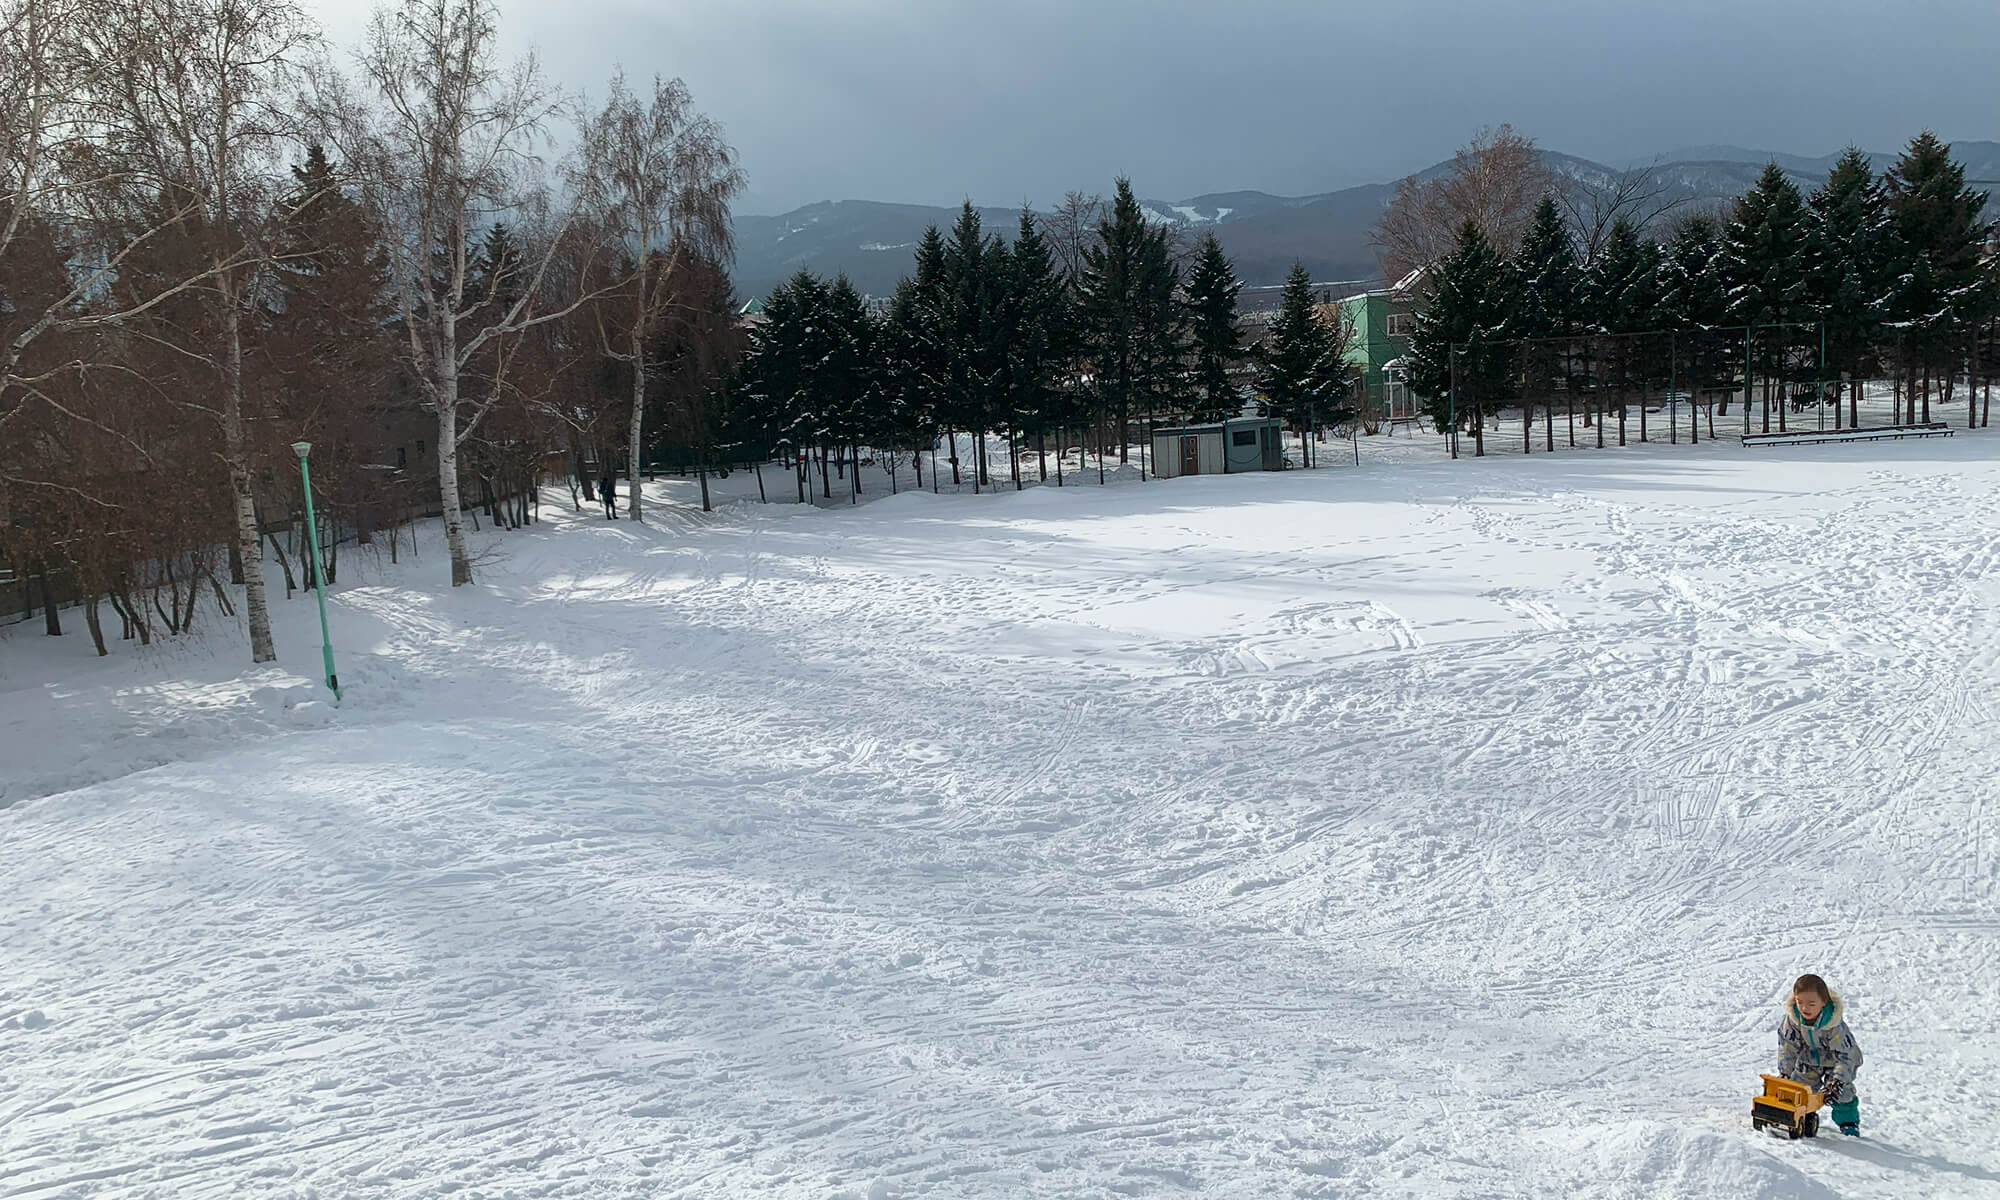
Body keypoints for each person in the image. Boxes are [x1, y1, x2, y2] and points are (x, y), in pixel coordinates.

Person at [1779, 973, 1863, 1136]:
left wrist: (1838, 1079)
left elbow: (1847, 1055)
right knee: (1801, 1089)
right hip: (1809, 1060)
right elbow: (1787, 1046)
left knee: (1842, 1093)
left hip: (1836, 1061)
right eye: (1800, 1002)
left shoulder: (1833, 1025)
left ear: (1823, 1003)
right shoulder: (1793, 1021)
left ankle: (1848, 1123)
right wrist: (1785, 1072)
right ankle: (1803, 1116)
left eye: (1811, 1004)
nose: (1804, 1008)